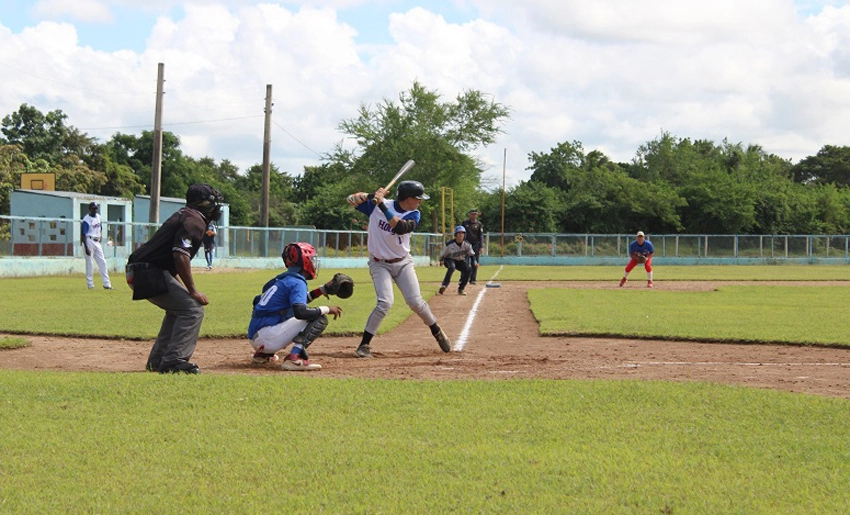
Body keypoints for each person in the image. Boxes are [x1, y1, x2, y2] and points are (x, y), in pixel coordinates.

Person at [346, 180, 451, 358]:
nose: (420, 202)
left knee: (415, 302)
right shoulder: (377, 205)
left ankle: (436, 330)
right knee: (385, 302)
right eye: (418, 198)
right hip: (379, 263)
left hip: (403, 263)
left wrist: (381, 205)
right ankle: (364, 345)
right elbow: (350, 200)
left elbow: (401, 228)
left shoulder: (414, 213)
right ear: (409, 198)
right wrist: (371, 196)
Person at [125, 184, 224, 374]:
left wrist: (185, 290)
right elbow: (180, 255)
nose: (216, 208)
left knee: (177, 310)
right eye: (213, 203)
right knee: (192, 310)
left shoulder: (186, 214)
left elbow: (171, 260)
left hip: (142, 270)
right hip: (148, 272)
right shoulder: (195, 221)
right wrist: (193, 291)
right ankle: (174, 361)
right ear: (204, 204)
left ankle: (158, 360)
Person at [248, 242, 343, 371]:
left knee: (294, 313)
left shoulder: (284, 279)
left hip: (256, 336)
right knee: (319, 318)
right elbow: (300, 311)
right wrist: (327, 309)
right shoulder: (297, 282)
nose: (314, 263)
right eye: (311, 259)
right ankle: (295, 357)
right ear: (304, 260)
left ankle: (262, 355)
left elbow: (297, 302)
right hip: (268, 338)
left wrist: (321, 290)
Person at [81, 202, 113, 290]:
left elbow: (100, 228)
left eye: (96, 208)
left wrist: (100, 236)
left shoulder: (98, 217)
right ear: (90, 209)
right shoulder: (86, 220)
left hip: (97, 241)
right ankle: (90, 285)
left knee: (103, 262)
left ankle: (107, 284)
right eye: (93, 208)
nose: (95, 210)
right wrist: (86, 247)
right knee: (90, 263)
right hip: (89, 240)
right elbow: (83, 234)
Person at [438, 225, 475, 296]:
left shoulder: (467, 244)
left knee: (468, 269)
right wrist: (441, 260)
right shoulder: (450, 244)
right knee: (452, 267)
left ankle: (461, 289)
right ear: (456, 234)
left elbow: (471, 254)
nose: (461, 235)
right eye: (459, 233)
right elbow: (443, 254)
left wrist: (475, 262)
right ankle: (444, 285)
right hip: (449, 259)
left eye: (462, 233)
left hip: (460, 260)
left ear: (464, 235)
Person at [461, 209, 483, 285]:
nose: (474, 215)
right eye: (472, 214)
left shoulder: (479, 224)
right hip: (466, 245)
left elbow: (480, 235)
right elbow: (462, 233)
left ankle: (473, 279)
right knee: (465, 262)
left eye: (475, 214)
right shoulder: (465, 223)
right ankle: (463, 278)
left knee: (475, 262)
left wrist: (481, 246)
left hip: (475, 245)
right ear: (469, 214)